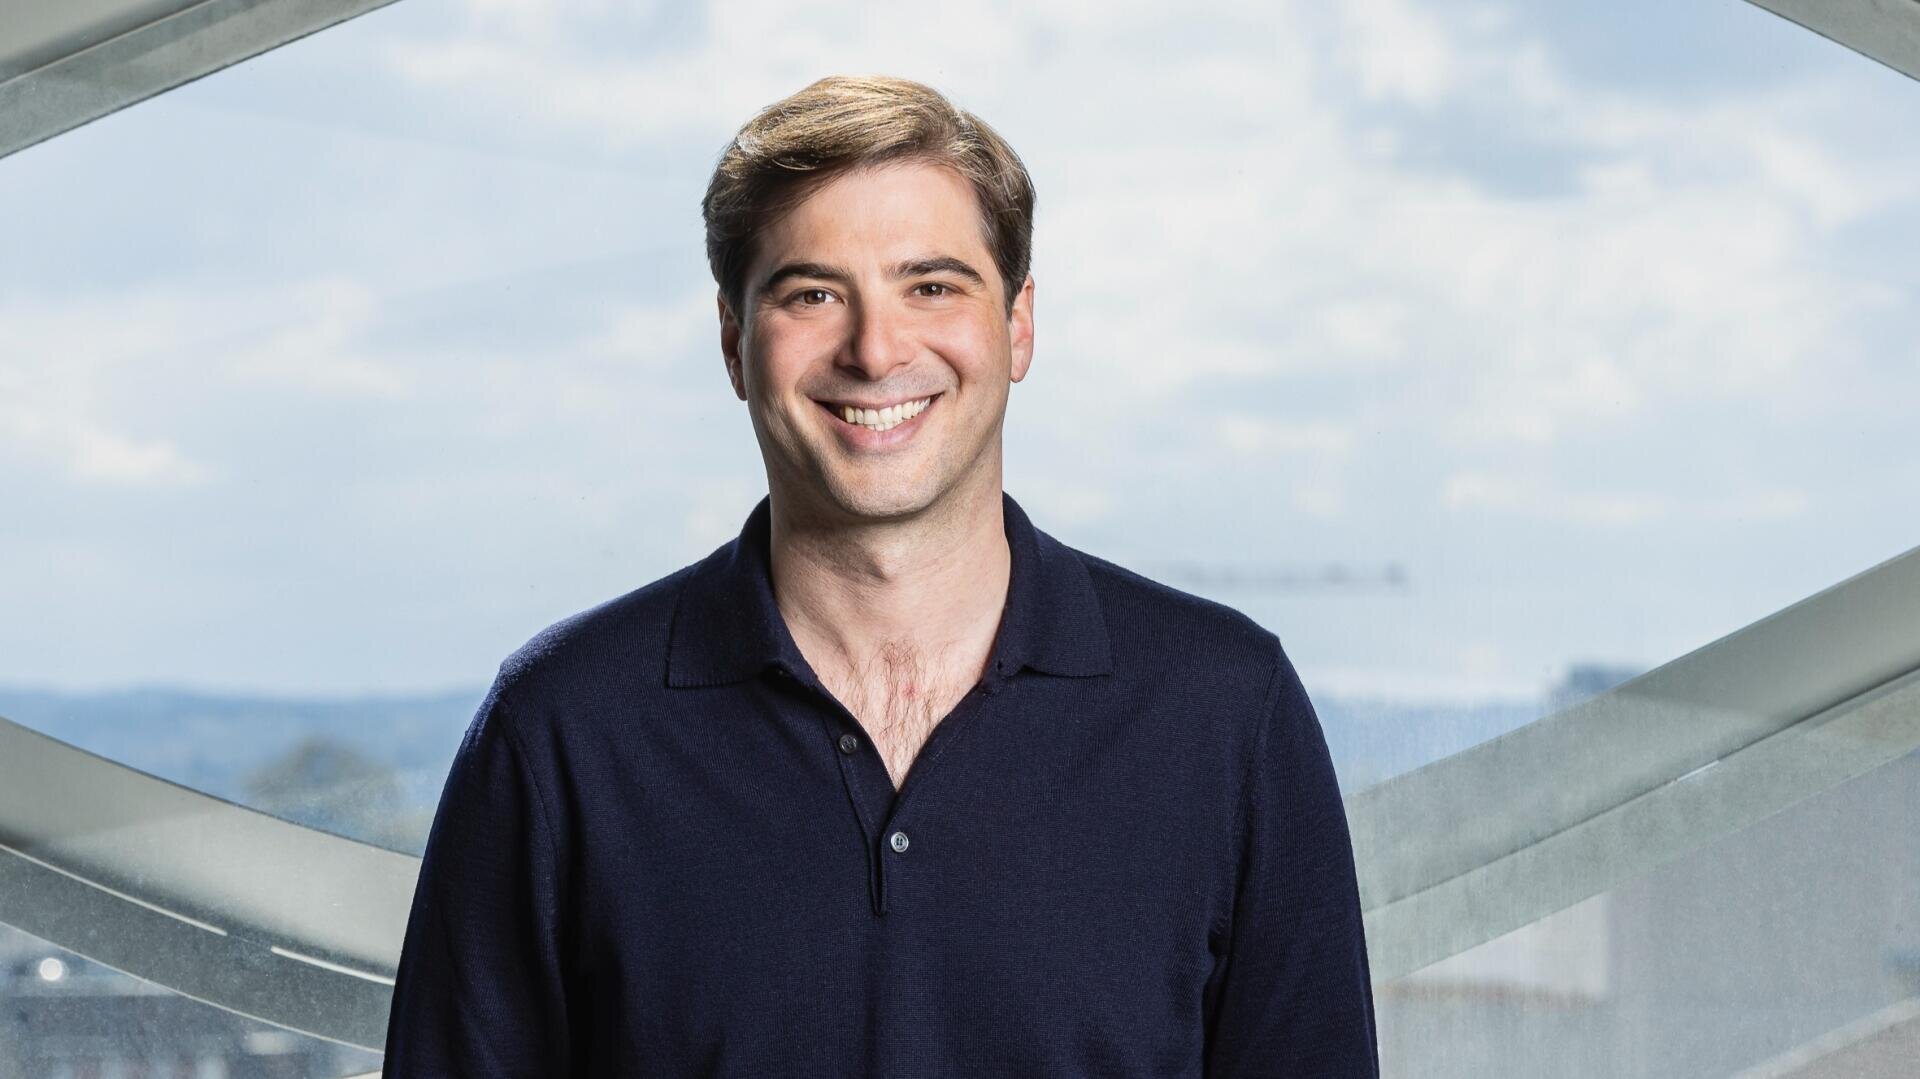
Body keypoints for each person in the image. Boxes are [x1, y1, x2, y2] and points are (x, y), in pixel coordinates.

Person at [382, 73, 1378, 1077]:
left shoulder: (1223, 710)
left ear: (1018, 324)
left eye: (932, 285)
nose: (876, 347)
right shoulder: (560, 729)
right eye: (813, 293)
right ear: (734, 340)